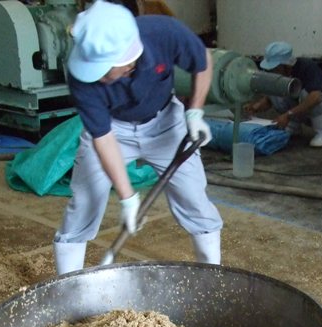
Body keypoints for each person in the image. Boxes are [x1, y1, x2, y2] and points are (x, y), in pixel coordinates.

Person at [53, 0, 222, 275]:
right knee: (85, 199)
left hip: (166, 122)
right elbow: (103, 139)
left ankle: (214, 276)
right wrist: (128, 198)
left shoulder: (164, 33)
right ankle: (67, 283)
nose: (93, 74)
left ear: (127, 60)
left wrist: (195, 112)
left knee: (194, 199)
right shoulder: (81, 77)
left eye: (101, 68)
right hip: (114, 129)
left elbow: (202, 61)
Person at [244, 41, 322, 148]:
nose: (272, 70)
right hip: (303, 113)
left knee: (308, 94)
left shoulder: (307, 66)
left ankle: (321, 132)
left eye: (275, 67)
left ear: (286, 65)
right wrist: (256, 107)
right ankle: (294, 126)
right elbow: (270, 99)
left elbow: (316, 97)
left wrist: (287, 115)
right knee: (276, 89)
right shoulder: (280, 75)